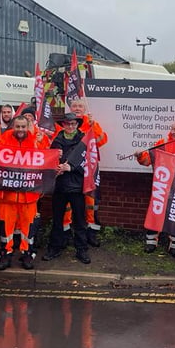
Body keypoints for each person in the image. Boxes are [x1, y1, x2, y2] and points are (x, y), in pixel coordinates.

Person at [135, 120, 175, 256]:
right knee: (156, 211)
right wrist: (140, 156)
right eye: (173, 129)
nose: (174, 132)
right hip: (163, 185)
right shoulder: (162, 142)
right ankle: (151, 242)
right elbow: (147, 160)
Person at [43, 112, 91, 264]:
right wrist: (55, 166)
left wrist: (71, 168)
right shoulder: (55, 141)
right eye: (67, 124)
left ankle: (81, 249)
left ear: (77, 124)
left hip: (76, 186)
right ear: (63, 125)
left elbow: (90, 164)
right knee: (57, 219)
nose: (70, 126)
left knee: (80, 220)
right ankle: (54, 247)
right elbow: (47, 161)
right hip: (60, 186)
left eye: (73, 124)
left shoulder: (84, 140)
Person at [0, 115, 41, 270]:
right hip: (7, 195)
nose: (21, 130)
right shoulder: (3, 140)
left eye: (23, 127)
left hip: (29, 195)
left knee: (27, 228)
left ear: (27, 126)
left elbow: (47, 159)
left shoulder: (36, 141)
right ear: (13, 126)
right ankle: (6, 253)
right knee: (6, 228)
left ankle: (27, 253)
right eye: (18, 127)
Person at [67, 98, 107, 248]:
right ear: (70, 108)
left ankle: (91, 232)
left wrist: (93, 125)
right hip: (71, 171)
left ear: (84, 109)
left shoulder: (90, 124)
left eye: (80, 106)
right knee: (69, 206)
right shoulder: (66, 124)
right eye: (75, 106)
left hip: (89, 168)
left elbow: (101, 141)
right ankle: (67, 233)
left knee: (90, 202)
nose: (77, 108)